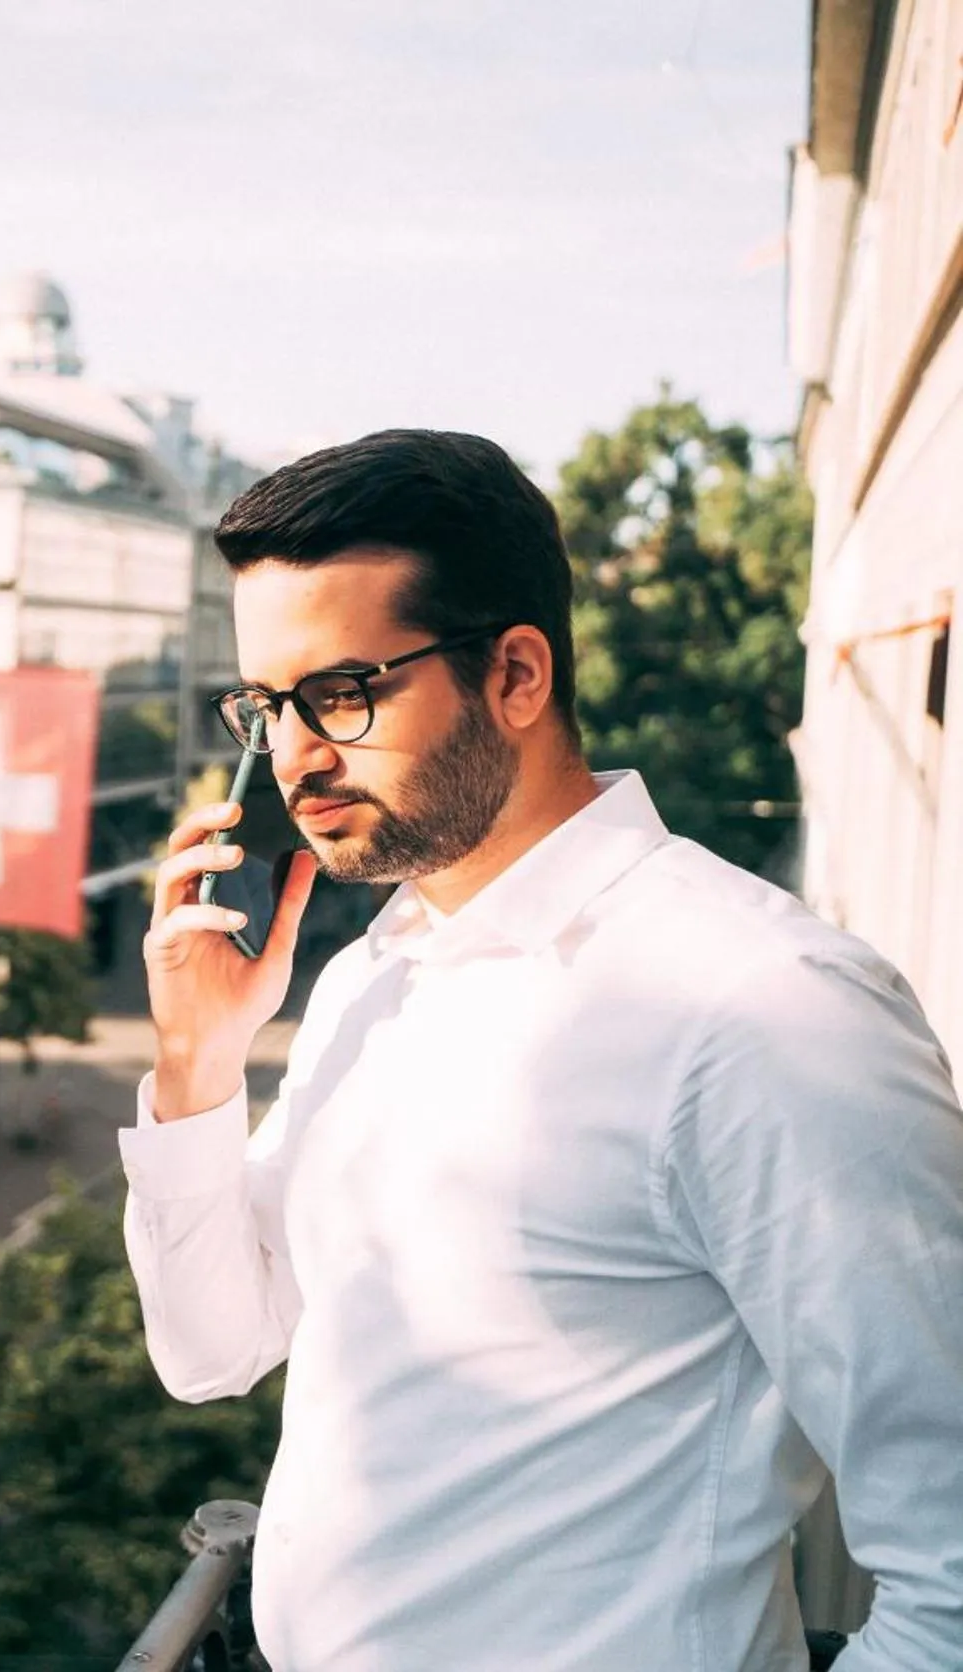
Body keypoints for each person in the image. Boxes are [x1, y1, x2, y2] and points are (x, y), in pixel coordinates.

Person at [122, 430, 963, 1671]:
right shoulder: (373, 980)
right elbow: (211, 1352)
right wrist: (197, 1068)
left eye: (341, 693)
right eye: (266, 705)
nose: (293, 754)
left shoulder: (766, 1008)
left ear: (516, 673)